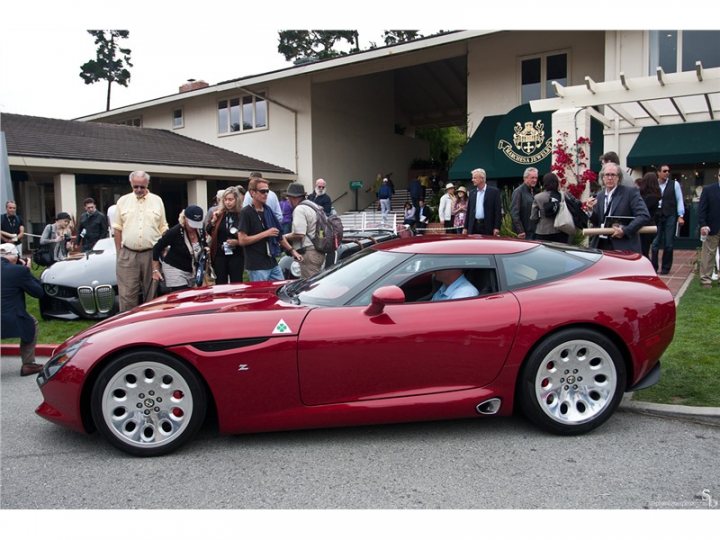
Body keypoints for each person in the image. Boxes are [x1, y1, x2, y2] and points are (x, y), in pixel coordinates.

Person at [112, 170, 169, 312]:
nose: (138, 190)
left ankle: (151, 325)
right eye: (135, 187)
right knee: (127, 294)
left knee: (152, 293)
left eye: (142, 187)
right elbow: (117, 229)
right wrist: (119, 253)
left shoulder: (157, 201)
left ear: (147, 184)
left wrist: (164, 248)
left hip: (151, 254)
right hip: (128, 254)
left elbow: (163, 227)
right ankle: (127, 326)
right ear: (131, 184)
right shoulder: (122, 201)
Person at [238, 176, 299, 282]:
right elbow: (242, 240)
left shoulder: (268, 210)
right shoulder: (246, 212)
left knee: (280, 289)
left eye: (267, 191)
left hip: (272, 260)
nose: (266, 194)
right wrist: (265, 234)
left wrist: (292, 251)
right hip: (257, 265)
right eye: (262, 191)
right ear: (252, 193)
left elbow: (279, 235)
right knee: (262, 295)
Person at [585, 162, 650, 253]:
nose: (610, 178)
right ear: (603, 178)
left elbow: (643, 216)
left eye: (613, 175)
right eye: (607, 175)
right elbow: (598, 222)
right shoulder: (599, 196)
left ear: (618, 177)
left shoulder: (630, 193)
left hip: (623, 245)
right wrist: (590, 211)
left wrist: (625, 230)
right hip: (601, 245)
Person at [0, 243, 44, 376]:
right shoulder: (19, 271)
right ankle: (28, 364)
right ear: (14, 256)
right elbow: (38, 292)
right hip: (11, 317)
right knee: (32, 323)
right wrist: (28, 272)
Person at [152, 205, 207, 294]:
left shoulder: (200, 231)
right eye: (192, 223)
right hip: (175, 267)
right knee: (182, 295)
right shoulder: (175, 231)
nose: (194, 227)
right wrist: (155, 270)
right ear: (185, 218)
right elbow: (157, 248)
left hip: (192, 268)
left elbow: (204, 245)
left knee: (194, 296)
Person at [283, 182, 325, 278]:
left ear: (293, 197)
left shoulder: (300, 209)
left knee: (309, 286)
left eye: (288, 198)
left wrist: (285, 237)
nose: (288, 201)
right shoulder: (313, 206)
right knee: (317, 282)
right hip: (319, 250)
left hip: (309, 253)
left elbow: (299, 234)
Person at [651, 164, 686, 275]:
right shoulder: (654, 184)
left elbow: (679, 200)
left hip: (670, 214)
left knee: (669, 243)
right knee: (655, 243)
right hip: (656, 215)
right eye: (664, 171)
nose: (667, 173)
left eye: (668, 171)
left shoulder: (674, 184)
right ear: (658, 173)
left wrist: (681, 215)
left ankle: (665, 268)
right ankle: (653, 267)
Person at [207, 187, 245, 284]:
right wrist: (213, 221)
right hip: (220, 254)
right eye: (226, 199)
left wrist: (238, 242)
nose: (228, 202)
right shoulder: (219, 214)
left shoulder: (242, 215)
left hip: (237, 254)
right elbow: (209, 231)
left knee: (236, 283)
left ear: (236, 200)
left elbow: (248, 234)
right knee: (220, 283)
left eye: (231, 199)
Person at [698, 167, 720, 289]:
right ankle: (705, 280)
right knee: (708, 254)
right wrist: (703, 224)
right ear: (718, 176)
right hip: (712, 227)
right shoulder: (709, 190)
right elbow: (702, 210)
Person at [463, 168, 502, 236]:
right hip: (473, 226)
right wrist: (465, 227)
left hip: (488, 226)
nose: (472, 180)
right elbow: (469, 211)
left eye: (475, 178)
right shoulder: (472, 193)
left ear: (482, 178)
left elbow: (498, 211)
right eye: (473, 178)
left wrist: (497, 227)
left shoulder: (494, 192)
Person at [530, 173, 567, 243]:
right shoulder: (563, 196)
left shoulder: (538, 197)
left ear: (545, 183)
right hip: (561, 230)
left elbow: (534, 217)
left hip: (542, 231)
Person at [635, 172, 662, 259]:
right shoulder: (654, 196)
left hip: (646, 226)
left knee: (643, 252)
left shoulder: (650, 198)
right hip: (649, 226)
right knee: (643, 251)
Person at [511, 167, 538, 239]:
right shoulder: (518, 192)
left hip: (535, 232)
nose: (535, 180)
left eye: (536, 178)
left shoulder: (535, 191)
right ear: (525, 178)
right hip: (525, 234)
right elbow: (514, 213)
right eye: (532, 178)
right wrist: (520, 230)